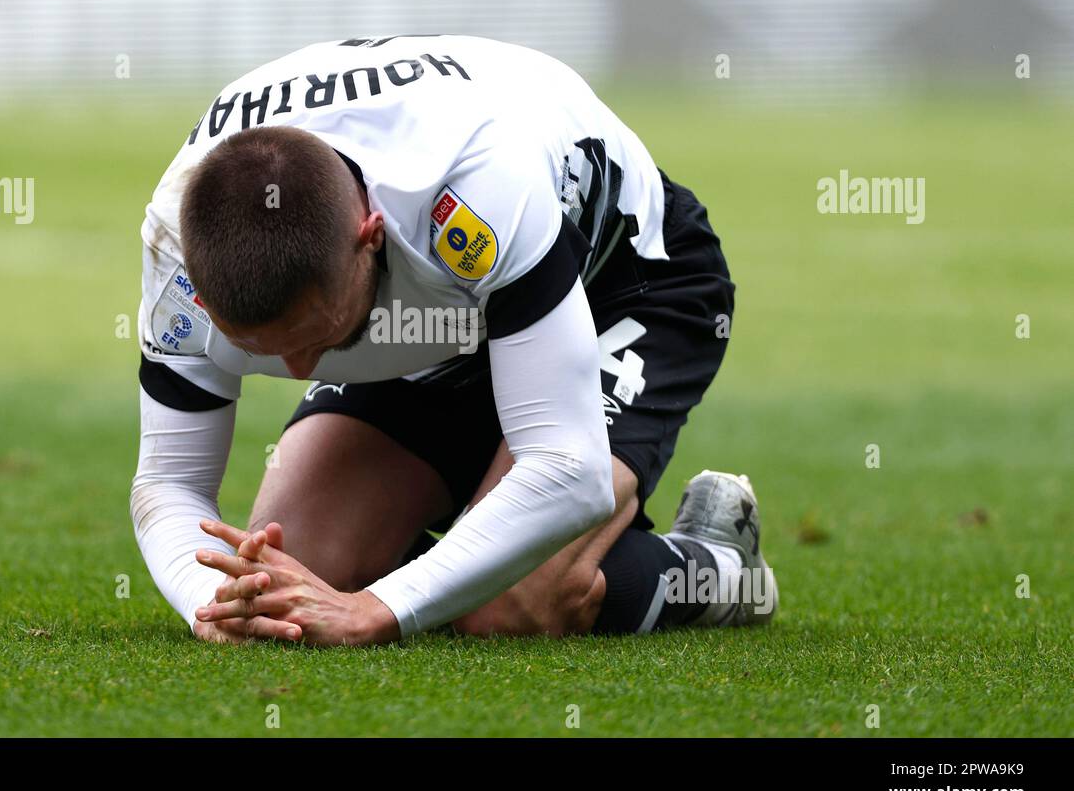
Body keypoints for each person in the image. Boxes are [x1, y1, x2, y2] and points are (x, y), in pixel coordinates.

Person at [129, 35, 776, 645]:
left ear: (370, 236)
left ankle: (715, 563)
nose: (302, 370)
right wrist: (210, 603)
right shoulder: (175, 248)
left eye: (317, 336)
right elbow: (168, 481)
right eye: (266, 349)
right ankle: (480, 520)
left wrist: (375, 610)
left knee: (507, 602)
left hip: (619, 277)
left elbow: (565, 467)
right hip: (442, 311)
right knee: (296, 566)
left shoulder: (472, 181)